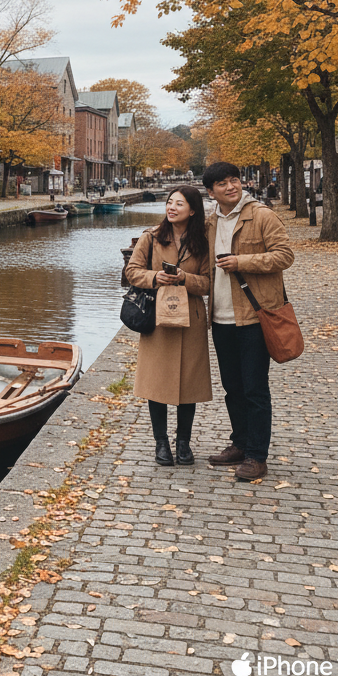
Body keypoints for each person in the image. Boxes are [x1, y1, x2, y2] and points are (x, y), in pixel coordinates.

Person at [203, 161, 294, 482]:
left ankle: (257, 455)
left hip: (254, 317)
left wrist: (243, 261)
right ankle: (239, 444)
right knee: (232, 388)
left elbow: (285, 255)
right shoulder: (210, 222)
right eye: (223, 183)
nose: (231, 186)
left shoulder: (262, 215)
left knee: (255, 388)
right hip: (221, 318)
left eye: (234, 180)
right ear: (211, 191)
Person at [125, 186, 212, 467]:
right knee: (157, 383)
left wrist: (186, 278)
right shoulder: (151, 237)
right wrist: (155, 277)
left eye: (179, 203)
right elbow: (132, 272)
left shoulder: (202, 241)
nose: (172, 208)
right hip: (158, 319)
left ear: (193, 209)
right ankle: (161, 442)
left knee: (189, 383)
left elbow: (208, 282)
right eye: (169, 202)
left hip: (191, 319)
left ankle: (183, 442)